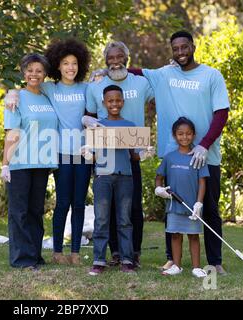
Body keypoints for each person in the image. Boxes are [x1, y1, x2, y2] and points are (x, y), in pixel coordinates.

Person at [133, 31, 230, 274]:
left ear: (193, 46)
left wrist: (204, 144)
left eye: (184, 47)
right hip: (173, 155)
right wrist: (106, 72)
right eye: (175, 49)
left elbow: (221, 114)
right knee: (173, 206)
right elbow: (136, 72)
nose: (180, 53)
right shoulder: (164, 74)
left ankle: (215, 261)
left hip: (204, 155)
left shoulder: (211, 75)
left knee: (208, 208)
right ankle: (171, 258)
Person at [4, 38, 92, 265]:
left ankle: (56, 254)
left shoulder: (78, 89)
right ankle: (39, 255)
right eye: (65, 63)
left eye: (74, 63)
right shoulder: (46, 89)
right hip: (42, 157)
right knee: (46, 207)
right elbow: (27, 86)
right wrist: (10, 93)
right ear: (58, 66)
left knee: (52, 208)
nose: (70, 67)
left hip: (62, 158)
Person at [84, 41, 155, 268]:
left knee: (132, 208)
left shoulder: (141, 83)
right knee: (107, 210)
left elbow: (163, 93)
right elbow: (89, 117)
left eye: (119, 57)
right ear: (105, 62)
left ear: (127, 58)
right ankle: (114, 253)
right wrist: (87, 141)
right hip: (104, 156)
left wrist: (146, 150)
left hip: (130, 152)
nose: (115, 62)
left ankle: (132, 253)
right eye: (110, 58)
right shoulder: (95, 86)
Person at [1, 53, 58, 271]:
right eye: (30, 70)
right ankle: (21, 259)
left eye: (39, 70)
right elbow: (11, 132)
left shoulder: (46, 97)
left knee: (35, 210)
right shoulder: (15, 99)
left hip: (42, 163)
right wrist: (5, 163)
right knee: (19, 212)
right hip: (20, 162)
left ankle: (34, 255)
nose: (34, 74)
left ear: (44, 74)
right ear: (24, 73)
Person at [87, 85, 138, 275]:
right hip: (103, 176)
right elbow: (92, 155)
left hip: (125, 176)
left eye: (118, 100)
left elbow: (134, 156)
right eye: (110, 101)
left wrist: (145, 153)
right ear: (104, 103)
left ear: (123, 102)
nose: (114, 104)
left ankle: (127, 259)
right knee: (101, 219)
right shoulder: (97, 126)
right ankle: (99, 260)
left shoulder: (130, 126)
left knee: (125, 220)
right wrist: (86, 154)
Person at [155, 117, 209, 278]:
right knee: (175, 234)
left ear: (193, 135)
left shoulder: (198, 156)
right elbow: (159, 177)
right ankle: (176, 266)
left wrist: (199, 203)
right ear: (174, 135)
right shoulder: (169, 157)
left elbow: (202, 182)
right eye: (180, 134)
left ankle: (196, 267)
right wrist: (159, 189)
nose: (184, 137)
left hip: (192, 206)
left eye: (188, 134)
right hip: (174, 205)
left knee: (193, 236)